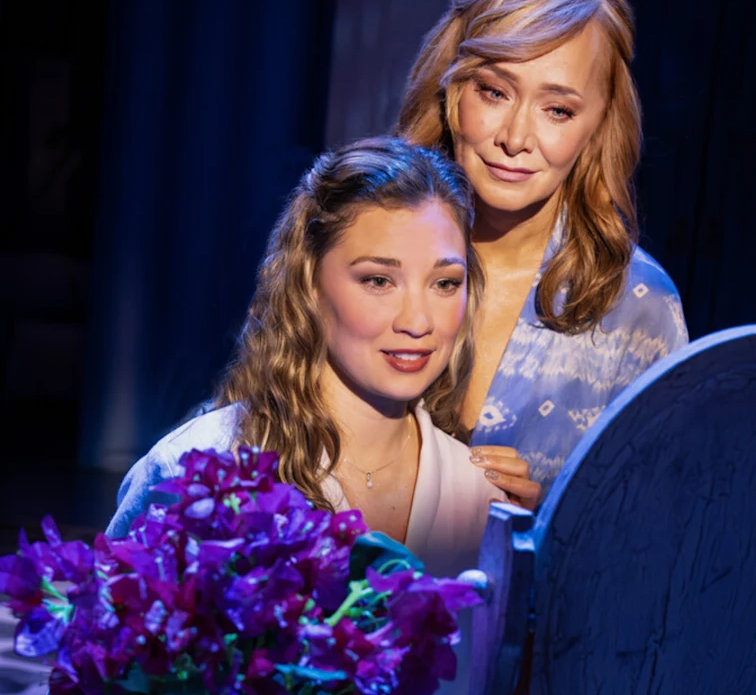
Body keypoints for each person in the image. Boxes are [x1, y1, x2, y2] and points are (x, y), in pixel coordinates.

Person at [106, 136, 503, 581]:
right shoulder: (198, 466)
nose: (418, 321)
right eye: (378, 280)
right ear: (310, 285)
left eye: (445, 284)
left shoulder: (483, 502)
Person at [397, 0, 690, 502]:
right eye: (494, 91)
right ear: (451, 88)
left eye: (558, 110)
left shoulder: (639, 305)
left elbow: (655, 541)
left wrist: (544, 531)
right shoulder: (357, 242)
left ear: (599, 124)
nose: (514, 138)